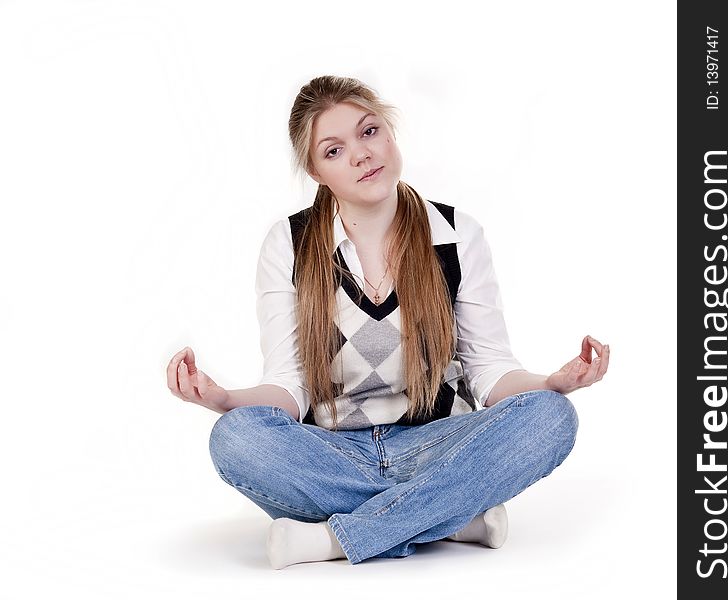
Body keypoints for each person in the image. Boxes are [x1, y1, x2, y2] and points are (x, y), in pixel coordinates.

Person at [165, 75, 610, 569]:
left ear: (391, 134)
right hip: (333, 454)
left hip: (438, 444)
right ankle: (450, 516)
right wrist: (222, 400)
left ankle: (336, 540)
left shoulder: (457, 234)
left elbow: (490, 371)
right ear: (316, 172)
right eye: (334, 151)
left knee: (550, 416)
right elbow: (288, 387)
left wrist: (553, 382)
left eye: (369, 132)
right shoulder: (288, 244)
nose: (360, 154)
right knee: (236, 437)